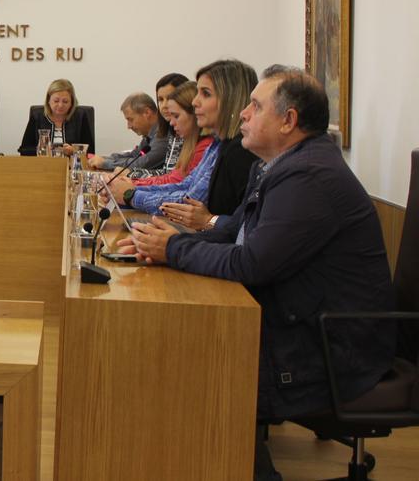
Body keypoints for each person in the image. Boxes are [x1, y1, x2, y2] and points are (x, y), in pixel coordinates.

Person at [119, 66, 394, 479]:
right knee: (189, 352)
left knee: (203, 368)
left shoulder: (309, 176)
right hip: (301, 323)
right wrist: (164, 241)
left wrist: (173, 248)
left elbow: (251, 261)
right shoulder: (273, 167)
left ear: (288, 121)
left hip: (334, 347)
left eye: (255, 105)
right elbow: (231, 232)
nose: (243, 113)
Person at [108, 60, 259, 227]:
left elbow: (189, 201)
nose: (195, 102)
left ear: (231, 98)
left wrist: (131, 195)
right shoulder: (217, 144)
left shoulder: (238, 150)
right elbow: (186, 184)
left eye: (205, 93)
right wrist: (131, 191)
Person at [129, 82, 213, 187]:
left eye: (176, 116)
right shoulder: (185, 140)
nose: (171, 122)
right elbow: (171, 176)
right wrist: (133, 182)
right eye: (160, 99)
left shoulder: (205, 146)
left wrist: (132, 187)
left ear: (194, 114)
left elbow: (178, 185)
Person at [128, 72, 190, 180]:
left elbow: (173, 179)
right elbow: (167, 173)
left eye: (170, 98)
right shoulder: (172, 131)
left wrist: (132, 175)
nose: (164, 105)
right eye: (160, 100)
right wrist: (131, 173)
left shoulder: (187, 134)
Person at [87, 93, 167, 172]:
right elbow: (134, 155)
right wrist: (104, 158)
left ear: (147, 113)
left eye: (130, 119)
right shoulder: (150, 134)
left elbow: (143, 163)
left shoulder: (164, 133)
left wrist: (105, 163)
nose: (129, 126)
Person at [19, 79, 95, 156]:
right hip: (42, 165)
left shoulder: (80, 117)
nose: (60, 105)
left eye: (65, 101)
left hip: (71, 165)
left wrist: (74, 151)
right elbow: (24, 150)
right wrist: (44, 149)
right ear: (48, 100)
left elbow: (91, 151)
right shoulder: (37, 116)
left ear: (72, 102)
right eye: (56, 101)